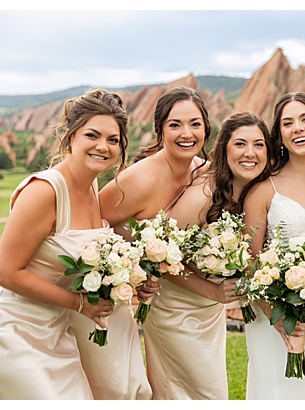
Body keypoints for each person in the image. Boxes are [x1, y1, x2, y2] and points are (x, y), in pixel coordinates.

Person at [0, 89, 126, 399]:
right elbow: (6, 273)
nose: (103, 146)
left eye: (113, 140)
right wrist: (82, 305)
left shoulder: (92, 186)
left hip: (56, 330)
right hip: (11, 329)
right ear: (70, 136)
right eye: (92, 135)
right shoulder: (44, 191)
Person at [95, 87, 215, 399]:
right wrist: (130, 271)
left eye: (195, 124)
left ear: (206, 128)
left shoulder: (204, 172)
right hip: (139, 304)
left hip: (193, 309)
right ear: (160, 129)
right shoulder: (138, 180)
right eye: (175, 125)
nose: (186, 133)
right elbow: (91, 224)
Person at [241, 92, 305, 399]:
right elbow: (250, 263)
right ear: (280, 134)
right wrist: (276, 315)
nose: (297, 128)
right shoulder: (263, 189)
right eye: (288, 123)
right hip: (275, 319)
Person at [160, 112, 273, 398]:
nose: (251, 153)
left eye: (259, 145)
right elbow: (162, 258)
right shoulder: (203, 196)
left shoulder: (250, 192)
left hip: (209, 311)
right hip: (178, 310)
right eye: (240, 144)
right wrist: (212, 290)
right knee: (206, 394)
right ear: (224, 149)